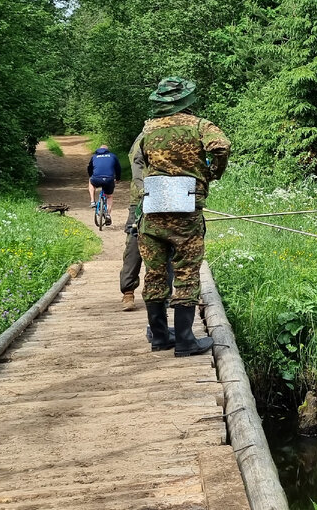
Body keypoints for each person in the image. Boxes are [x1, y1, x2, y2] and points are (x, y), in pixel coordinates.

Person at [134, 77, 230, 357]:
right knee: (187, 272)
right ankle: (186, 340)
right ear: (187, 100)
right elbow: (220, 146)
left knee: (154, 273)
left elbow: (139, 158)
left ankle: (160, 337)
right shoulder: (200, 125)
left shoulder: (148, 129)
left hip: (153, 208)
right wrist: (214, 171)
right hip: (185, 209)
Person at [118, 131, 145, 311]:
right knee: (134, 244)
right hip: (141, 199)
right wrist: (145, 191)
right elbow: (137, 164)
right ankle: (128, 292)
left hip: (171, 199)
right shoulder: (145, 137)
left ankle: (179, 292)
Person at [87, 144, 122, 224]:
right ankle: (108, 215)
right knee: (109, 196)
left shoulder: (94, 157)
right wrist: (118, 178)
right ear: (107, 150)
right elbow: (118, 168)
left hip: (96, 179)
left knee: (90, 182)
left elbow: (89, 168)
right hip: (109, 179)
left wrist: (91, 175)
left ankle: (92, 201)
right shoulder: (112, 156)